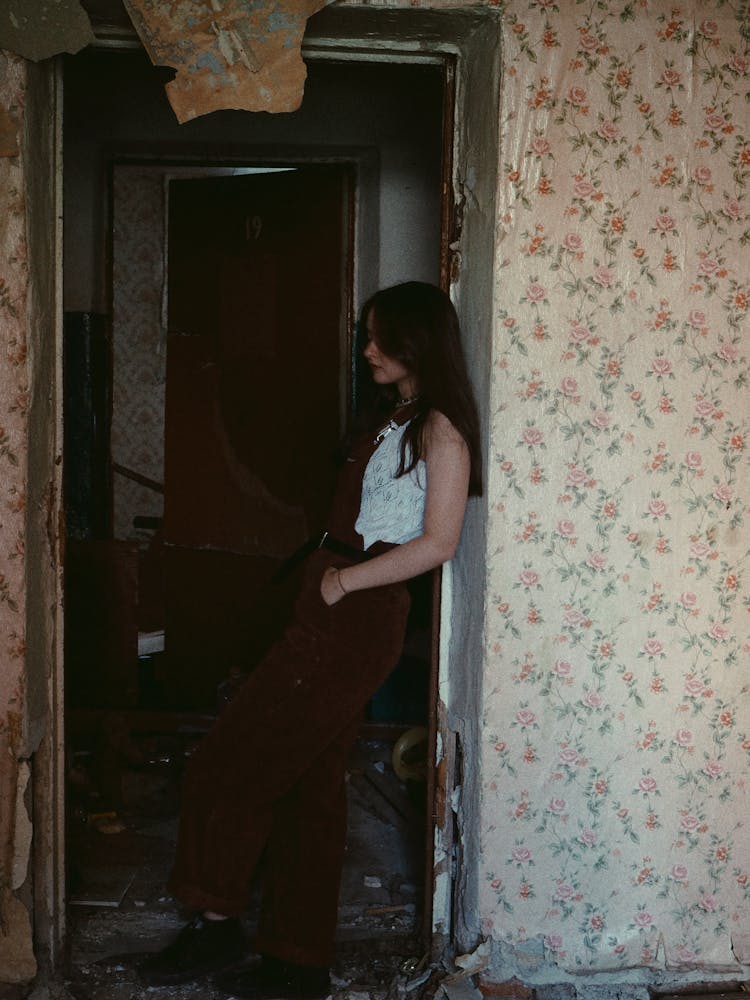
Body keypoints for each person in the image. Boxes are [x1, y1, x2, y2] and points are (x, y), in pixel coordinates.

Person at [139, 281, 482, 999]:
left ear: (418, 340)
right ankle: (297, 966)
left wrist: (345, 585)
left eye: (379, 337)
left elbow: (439, 542)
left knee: (227, 765)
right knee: (308, 792)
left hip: (356, 611)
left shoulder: (441, 428)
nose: (366, 350)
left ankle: (216, 919)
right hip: (331, 598)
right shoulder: (398, 418)